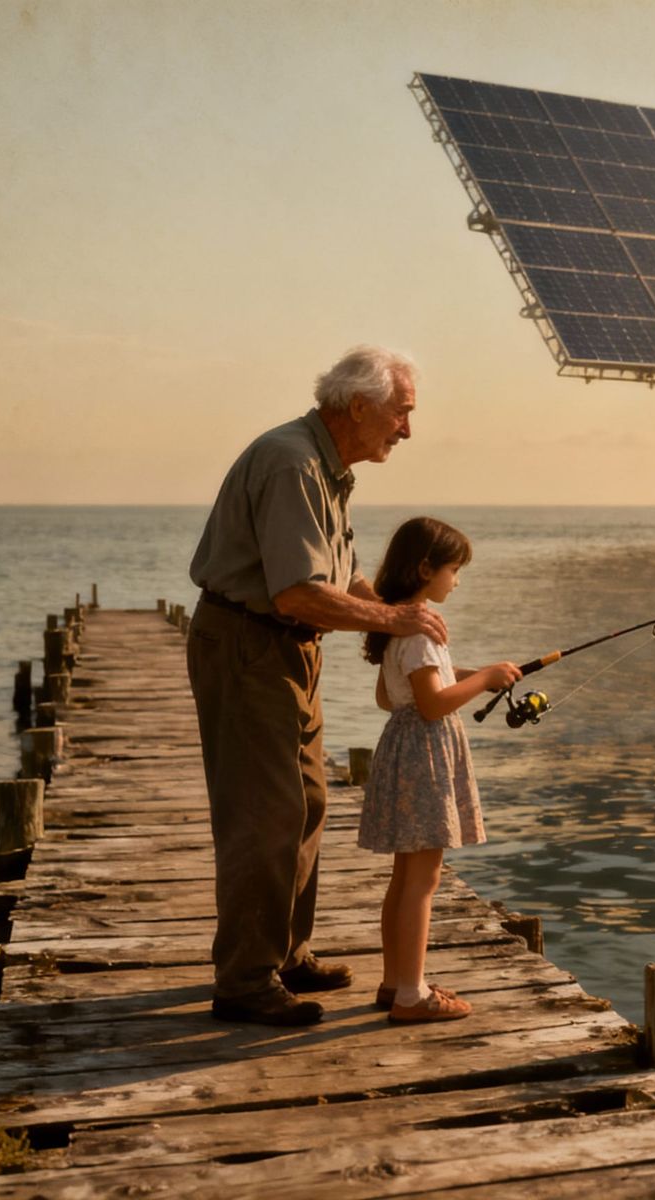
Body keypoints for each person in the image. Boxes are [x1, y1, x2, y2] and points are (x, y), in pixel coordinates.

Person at [187, 345, 447, 1026]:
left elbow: (343, 580)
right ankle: (245, 980)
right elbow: (299, 592)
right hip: (250, 647)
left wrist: (399, 625)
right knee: (264, 815)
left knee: (305, 804)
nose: (407, 430)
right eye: (403, 413)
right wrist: (391, 617)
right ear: (359, 406)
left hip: (286, 651)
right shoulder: (293, 463)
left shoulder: (327, 469)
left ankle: (284, 954)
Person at [357, 516, 521, 1023]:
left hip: (402, 752)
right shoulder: (422, 631)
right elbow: (431, 705)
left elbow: (392, 695)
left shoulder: (397, 624)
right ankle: (412, 996)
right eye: (454, 569)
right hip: (425, 757)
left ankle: (396, 982)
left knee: (404, 877)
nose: (458, 579)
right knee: (423, 881)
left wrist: (476, 676)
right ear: (425, 568)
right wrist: (486, 676)